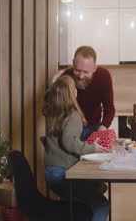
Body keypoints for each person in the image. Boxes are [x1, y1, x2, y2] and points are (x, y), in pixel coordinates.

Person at [43, 75, 110, 221]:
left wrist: (54, 83)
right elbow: (69, 142)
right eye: (74, 88)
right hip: (63, 175)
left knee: (95, 189)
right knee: (102, 205)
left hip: (50, 173)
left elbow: (47, 97)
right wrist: (94, 148)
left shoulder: (51, 112)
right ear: (73, 93)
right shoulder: (73, 115)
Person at [54, 46, 116, 141]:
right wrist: (53, 83)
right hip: (69, 129)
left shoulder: (103, 76)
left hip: (94, 128)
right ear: (73, 63)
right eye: (77, 70)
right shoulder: (66, 76)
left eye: (86, 72)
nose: (81, 76)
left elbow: (110, 109)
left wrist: (103, 127)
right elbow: (53, 107)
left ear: (95, 68)